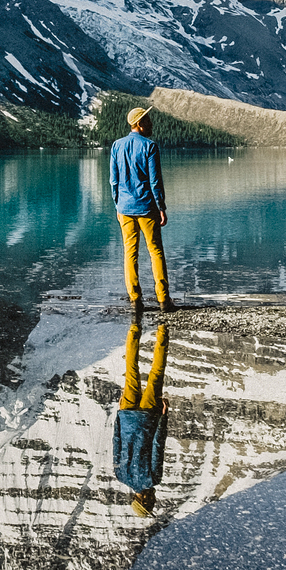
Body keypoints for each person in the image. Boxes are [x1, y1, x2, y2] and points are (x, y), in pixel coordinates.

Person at [108, 106, 172, 311]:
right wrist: (161, 206)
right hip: (147, 207)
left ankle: (135, 299)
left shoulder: (117, 146)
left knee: (130, 253)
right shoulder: (150, 146)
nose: (151, 123)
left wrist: (117, 205)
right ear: (139, 124)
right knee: (156, 252)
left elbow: (113, 181)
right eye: (148, 120)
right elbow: (155, 181)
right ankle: (163, 300)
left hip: (125, 208)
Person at [113, 321, 169, 516]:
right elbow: (116, 442)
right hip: (127, 415)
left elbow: (157, 445)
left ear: (145, 500)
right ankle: (134, 327)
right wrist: (119, 414)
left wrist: (164, 417)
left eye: (151, 503)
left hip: (148, 418)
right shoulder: (120, 475)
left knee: (156, 374)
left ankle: (162, 329)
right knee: (131, 370)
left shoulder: (153, 478)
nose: (154, 499)